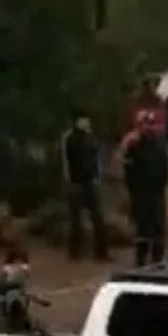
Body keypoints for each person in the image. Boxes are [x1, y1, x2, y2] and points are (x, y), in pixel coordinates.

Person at [123, 111, 168, 267]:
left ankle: (158, 258)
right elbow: (127, 169)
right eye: (144, 124)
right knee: (142, 227)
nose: (148, 127)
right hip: (140, 192)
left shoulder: (160, 146)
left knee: (158, 226)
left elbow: (165, 167)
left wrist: (163, 184)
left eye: (150, 124)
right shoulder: (134, 147)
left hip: (157, 192)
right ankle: (141, 259)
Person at [62, 109, 108, 261]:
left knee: (98, 219)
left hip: (91, 181)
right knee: (76, 222)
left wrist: (98, 177)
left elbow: (97, 159)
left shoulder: (91, 138)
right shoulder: (69, 138)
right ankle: (74, 253)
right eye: (82, 120)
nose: (85, 122)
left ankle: (101, 253)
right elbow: (65, 162)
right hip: (76, 183)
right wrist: (69, 181)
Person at [0, 249, 41, 334]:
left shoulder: (22, 273)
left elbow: (23, 288)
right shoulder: (6, 273)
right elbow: (0, 289)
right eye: (17, 262)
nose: (20, 265)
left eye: (22, 262)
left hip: (17, 299)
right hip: (4, 300)